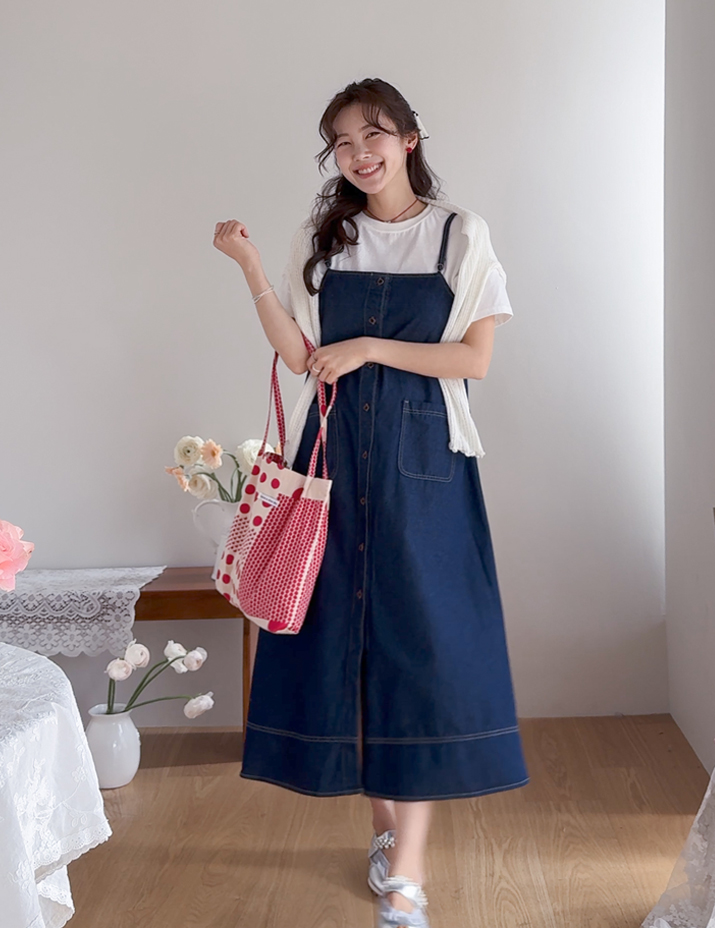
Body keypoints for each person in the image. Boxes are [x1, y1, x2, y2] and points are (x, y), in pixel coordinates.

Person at [213, 77, 529, 928]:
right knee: (344, 644)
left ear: (410, 140)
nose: (359, 154)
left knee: (420, 655)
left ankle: (407, 875)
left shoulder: (460, 234)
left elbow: (473, 361)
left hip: (424, 467)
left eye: (374, 135)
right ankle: (388, 834)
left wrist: (366, 347)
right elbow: (298, 356)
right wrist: (251, 268)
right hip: (332, 458)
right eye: (343, 143)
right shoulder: (326, 237)